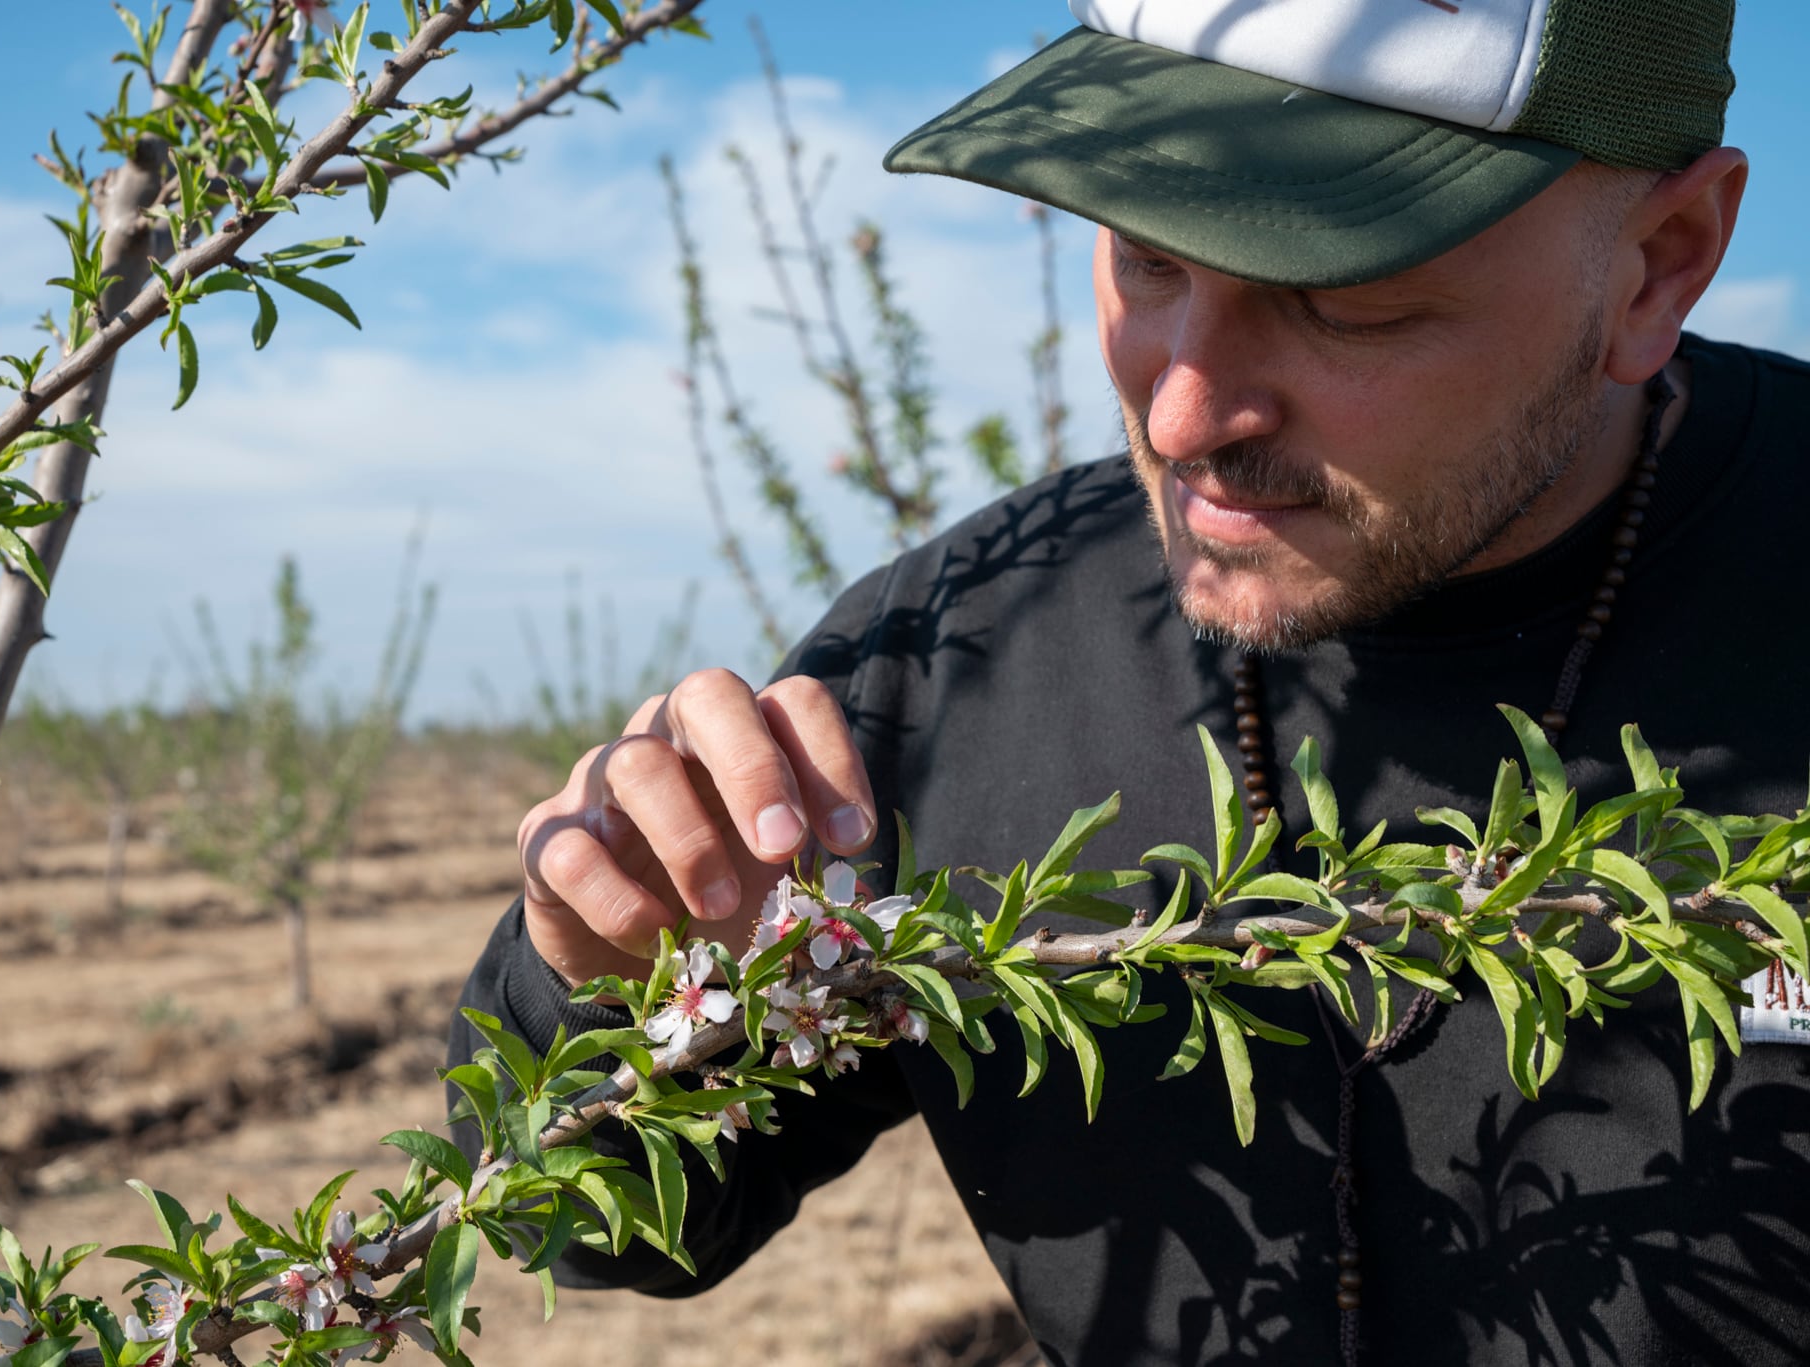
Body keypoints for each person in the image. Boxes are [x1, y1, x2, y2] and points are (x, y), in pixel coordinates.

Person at [450, 2, 1810, 1361]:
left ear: (1657, 265)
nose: (1181, 419)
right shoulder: (956, 654)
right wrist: (600, 975)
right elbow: (603, 1224)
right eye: (1149, 260)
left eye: (1346, 300)